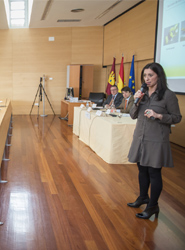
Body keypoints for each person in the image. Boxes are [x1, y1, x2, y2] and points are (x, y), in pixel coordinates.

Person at [127, 62, 182, 219]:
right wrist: (136, 100)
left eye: (150, 75)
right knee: (142, 168)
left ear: (159, 76)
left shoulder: (168, 95)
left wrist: (159, 116)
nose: (147, 78)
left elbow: (177, 117)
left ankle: (153, 206)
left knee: (153, 171)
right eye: (145, 75)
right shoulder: (142, 93)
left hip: (156, 139)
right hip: (140, 137)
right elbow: (132, 114)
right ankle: (143, 197)